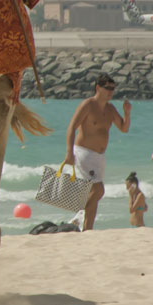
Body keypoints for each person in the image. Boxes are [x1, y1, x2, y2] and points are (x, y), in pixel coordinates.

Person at [63, 73, 132, 231]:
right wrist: (69, 153)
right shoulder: (88, 105)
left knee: (95, 193)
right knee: (98, 189)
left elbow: (124, 128)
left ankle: (86, 227)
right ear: (98, 88)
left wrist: (127, 113)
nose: (111, 92)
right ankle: (82, 220)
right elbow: (71, 128)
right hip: (84, 152)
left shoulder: (110, 109)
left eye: (113, 89)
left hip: (99, 157)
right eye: (107, 88)